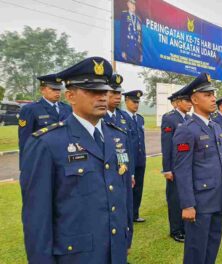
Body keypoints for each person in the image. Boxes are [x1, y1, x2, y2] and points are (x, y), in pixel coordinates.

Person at [20, 57, 133, 263]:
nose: (102, 97)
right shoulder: (47, 142)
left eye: (104, 91)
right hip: (76, 256)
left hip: (114, 250)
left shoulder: (118, 136)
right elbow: (37, 217)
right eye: (93, 91)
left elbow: (123, 192)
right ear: (70, 96)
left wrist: (126, 238)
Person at [173, 73, 222, 264]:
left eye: (213, 94)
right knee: (196, 250)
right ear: (194, 99)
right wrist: (188, 204)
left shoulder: (215, 127)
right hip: (200, 201)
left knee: (212, 245)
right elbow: (182, 169)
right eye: (207, 95)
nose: (213, 98)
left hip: (217, 198)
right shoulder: (187, 129)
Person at [18, 74, 72, 166]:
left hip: (65, 158)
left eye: (59, 89)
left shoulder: (67, 108)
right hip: (42, 159)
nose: (57, 92)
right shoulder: (30, 109)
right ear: (42, 90)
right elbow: (25, 140)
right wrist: (26, 165)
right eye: (53, 89)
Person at [161, 89, 192, 242]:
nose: (189, 104)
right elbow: (166, 145)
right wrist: (167, 169)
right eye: (186, 101)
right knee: (175, 199)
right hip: (174, 167)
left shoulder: (190, 119)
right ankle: (176, 230)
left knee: (186, 196)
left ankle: (186, 227)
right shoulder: (170, 119)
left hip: (187, 167)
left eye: (190, 101)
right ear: (178, 102)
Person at [122, 90, 146, 223]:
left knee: (139, 187)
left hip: (140, 158)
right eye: (133, 102)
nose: (136, 105)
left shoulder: (140, 118)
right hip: (128, 160)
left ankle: (135, 213)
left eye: (138, 102)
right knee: (128, 188)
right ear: (126, 101)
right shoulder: (122, 118)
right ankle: (127, 215)